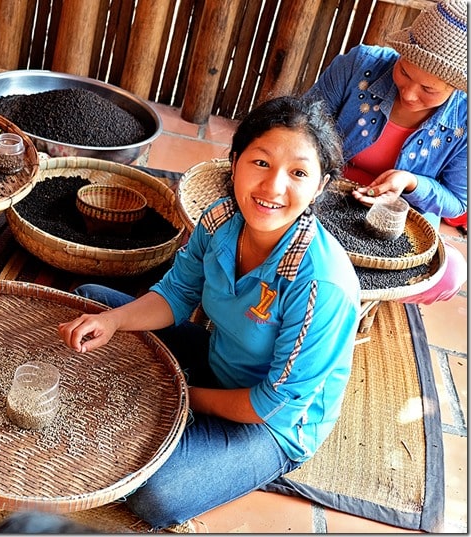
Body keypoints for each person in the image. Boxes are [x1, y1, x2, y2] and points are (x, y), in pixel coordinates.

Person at [57, 96, 361, 530]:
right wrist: (112, 322)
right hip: (218, 359)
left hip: (272, 423)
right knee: (92, 302)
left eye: (298, 173)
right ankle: (168, 399)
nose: (273, 188)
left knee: (156, 495)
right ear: (235, 163)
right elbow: (177, 295)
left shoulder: (321, 284)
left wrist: (178, 393)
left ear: (319, 185)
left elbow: (272, 404)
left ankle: (189, 428)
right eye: (260, 163)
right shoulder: (220, 221)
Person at [304, 0, 467, 304]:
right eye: (404, 71)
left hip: (397, 219)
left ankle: (335, 282)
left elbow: (457, 203)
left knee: (452, 273)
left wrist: (410, 182)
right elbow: (302, 125)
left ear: (457, 88)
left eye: (429, 90)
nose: (408, 93)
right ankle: (347, 287)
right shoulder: (359, 65)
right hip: (325, 190)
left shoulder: (465, 121)